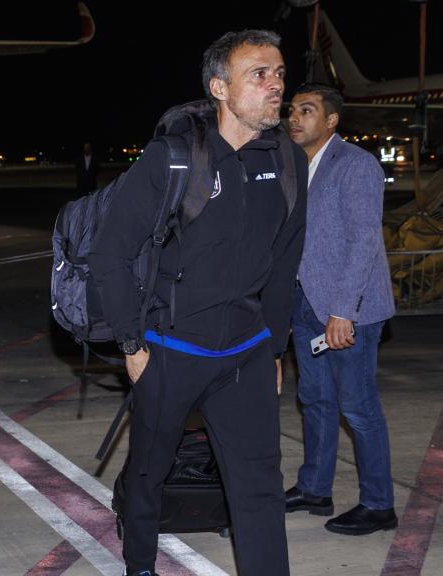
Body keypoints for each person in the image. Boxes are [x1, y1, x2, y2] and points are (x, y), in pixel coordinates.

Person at [87, 30, 306, 576]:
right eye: (259, 74)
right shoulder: (173, 159)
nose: (275, 84)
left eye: (279, 73)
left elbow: (284, 263)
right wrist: (133, 344)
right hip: (169, 349)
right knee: (149, 472)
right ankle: (139, 565)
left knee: (258, 486)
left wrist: (275, 347)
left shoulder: (286, 162)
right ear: (220, 88)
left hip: (247, 354)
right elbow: (111, 254)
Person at [285, 83, 398, 536]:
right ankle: (314, 488)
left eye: (306, 110)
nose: (294, 117)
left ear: (331, 120)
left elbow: (363, 241)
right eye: (292, 110)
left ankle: (378, 504)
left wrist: (342, 311)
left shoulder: (356, 165)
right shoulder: (296, 165)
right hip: (304, 303)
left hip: (347, 309)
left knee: (357, 407)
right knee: (314, 400)